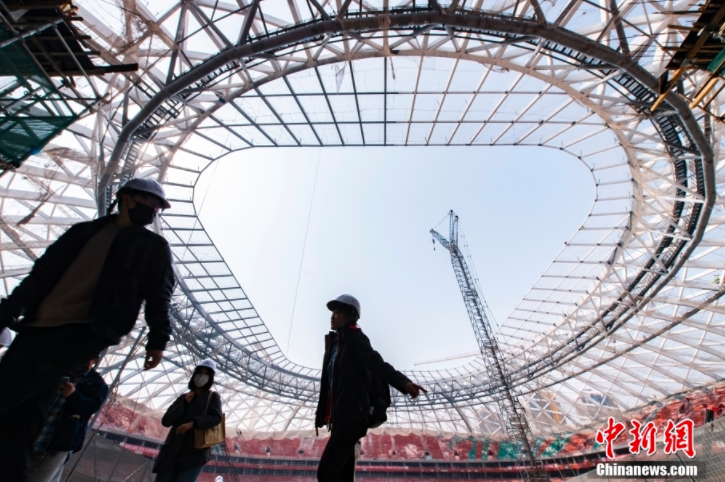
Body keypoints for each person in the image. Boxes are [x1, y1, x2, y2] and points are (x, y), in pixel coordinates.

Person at [0, 178, 175, 481]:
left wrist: (158, 338)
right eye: (150, 202)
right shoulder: (83, 232)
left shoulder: (153, 246)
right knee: (23, 415)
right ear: (127, 198)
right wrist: (9, 311)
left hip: (85, 332)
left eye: (158, 207)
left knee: (15, 399)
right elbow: (41, 274)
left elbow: (159, 294)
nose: (154, 210)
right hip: (38, 325)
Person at [315, 294, 427, 482]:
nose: (332, 317)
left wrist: (404, 383)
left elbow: (377, 364)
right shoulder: (335, 345)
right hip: (339, 419)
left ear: (350, 316)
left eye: (338, 313)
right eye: (332, 313)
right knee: (343, 478)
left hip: (351, 418)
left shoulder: (356, 339)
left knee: (326, 472)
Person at [30, 355, 109, 482]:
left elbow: (93, 406)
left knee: (42, 477)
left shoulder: (98, 385)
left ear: (95, 360)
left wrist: (73, 395)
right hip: (34, 430)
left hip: (61, 440)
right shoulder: (58, 370)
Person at [153, 359, 223, 482]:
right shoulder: (183, 398)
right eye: (199, 373)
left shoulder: (213, 397)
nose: (201, 377)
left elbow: (216, 417)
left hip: (194, 456)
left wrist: (193, 423)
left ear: (210, 378)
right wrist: (184, 403)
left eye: (206, 374)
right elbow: (166, 421)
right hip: (172, 453)